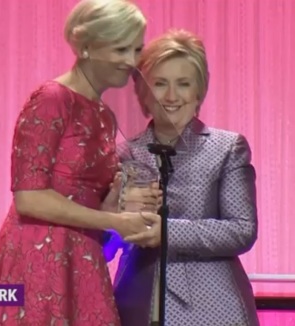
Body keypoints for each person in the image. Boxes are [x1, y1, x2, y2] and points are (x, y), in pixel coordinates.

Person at [0, 1, 162, 325]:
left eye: (136, 49)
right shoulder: (51, 99)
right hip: (39, 259)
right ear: (86, 46)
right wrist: (113, 222)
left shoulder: (102, 113)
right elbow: (29, 198)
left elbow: (89, 198)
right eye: (120, 49)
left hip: (84, 258)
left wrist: (119, 205)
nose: (131, 62)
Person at [107, 29, 260, 326]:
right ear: (143, 93)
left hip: (214, 307)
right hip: (138, 301)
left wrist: (167, 233)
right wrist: (113, 217)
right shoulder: (124, 153)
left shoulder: (228, 147)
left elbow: (242, 230)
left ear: (199, 91)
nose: (172, 96)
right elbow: (107, 242)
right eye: (160, 84)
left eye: (183, 84)